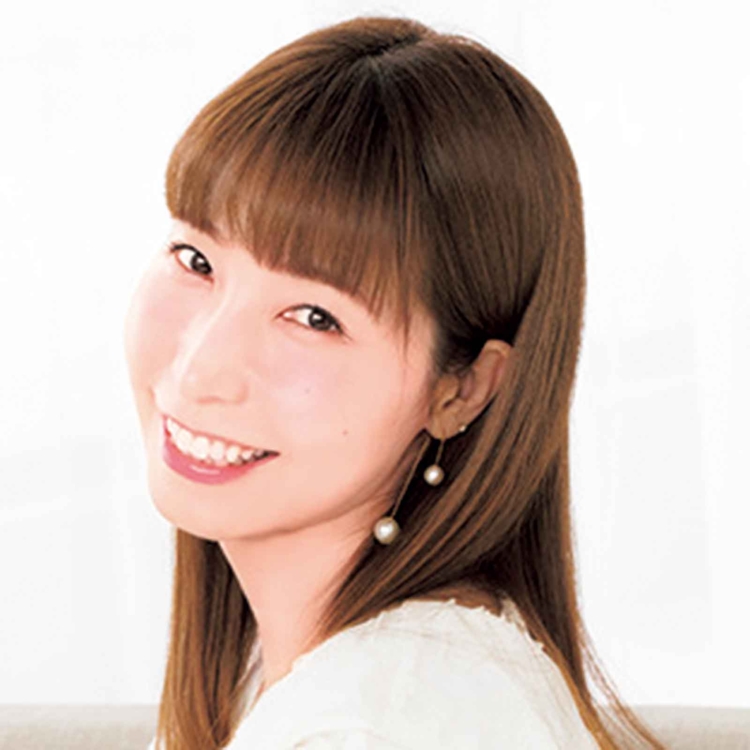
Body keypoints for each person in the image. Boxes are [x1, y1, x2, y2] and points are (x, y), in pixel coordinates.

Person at [124, 15, 666, 750]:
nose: (200, 369)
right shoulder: (314, 679)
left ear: (461, 389)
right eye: (196, 261)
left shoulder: (385, 718)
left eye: (314, 317)